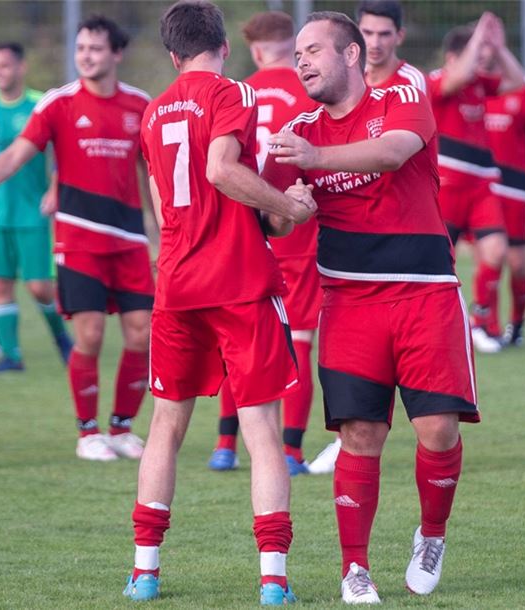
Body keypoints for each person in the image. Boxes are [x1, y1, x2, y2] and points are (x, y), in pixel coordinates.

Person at [264, 11, 480, 602]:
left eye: (313, 50)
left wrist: (313, 161)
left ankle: (431, 533)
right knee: (360, 433)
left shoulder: (403, 93)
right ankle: (354, 569)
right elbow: (275, 220)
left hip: (424, 292)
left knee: (437, 429)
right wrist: (288, 205)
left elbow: (391, 153)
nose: (301, 61)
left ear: (353, 55)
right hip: (349, 300)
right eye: (298, 53)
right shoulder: (297, 126)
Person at [125, 2, 317, 604]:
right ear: (224, 46)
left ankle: (145, 571)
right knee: (261, 427)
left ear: (173, 53)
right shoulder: (233, 92)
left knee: (165, 426)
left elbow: (162, 205)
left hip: (177, 282)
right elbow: (220, 170)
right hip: (238, 283)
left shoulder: (153, 111)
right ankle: (273, 581)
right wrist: (288, 209)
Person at [0, 15, 154, 462]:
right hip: (78, 241)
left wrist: (167, 230)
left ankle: (122, 429)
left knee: (141, 335)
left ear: (116, 54)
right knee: (90, 335)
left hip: (130, 240)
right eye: (80, 49)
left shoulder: (140, 105)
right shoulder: (58, 103)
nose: (86, 56)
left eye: (95, 48)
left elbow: (153, 175)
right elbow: (16, 154)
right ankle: (88, 433)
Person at [209, 10, 321, 476]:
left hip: (249, 233)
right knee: (299, 338)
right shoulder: (309, 91)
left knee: (241, 339)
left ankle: (224, 445)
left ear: (255, 51)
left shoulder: (241, 92)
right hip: (299, 230)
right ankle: (291, 452)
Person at [0, 42, 73, 372]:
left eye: (5, 66)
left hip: (32, 212)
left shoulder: (40, 104)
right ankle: (11, 355)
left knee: (39, 286)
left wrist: (54, 189)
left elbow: (61, 152)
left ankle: (62, 339)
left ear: (21, 67)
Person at [428, 14, 525, 353]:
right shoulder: (437, 81)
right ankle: (441, 329)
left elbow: (516, 81)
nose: (481, 60)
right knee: (440, 265)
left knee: (496, 251)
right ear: (452, 57)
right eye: (475, 53)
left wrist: (497, 47)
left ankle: (479, 321)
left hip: (482, 186)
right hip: (447, 187)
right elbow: (456, 79)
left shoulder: (479, 84)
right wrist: (477, 39)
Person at [484, 75, 525, 346]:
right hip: (483, 184)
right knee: (491, 256)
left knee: (518, 264)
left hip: (517, 186)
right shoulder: (469, 86)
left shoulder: (524, 87)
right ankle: (489, 327)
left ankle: (517, 323)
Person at [356, 1, 426, 92]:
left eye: (384, 34)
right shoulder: (351, 78)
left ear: (400, 36)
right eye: (368, 33)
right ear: (356, 33)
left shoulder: (412, 81)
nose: (375, 44)